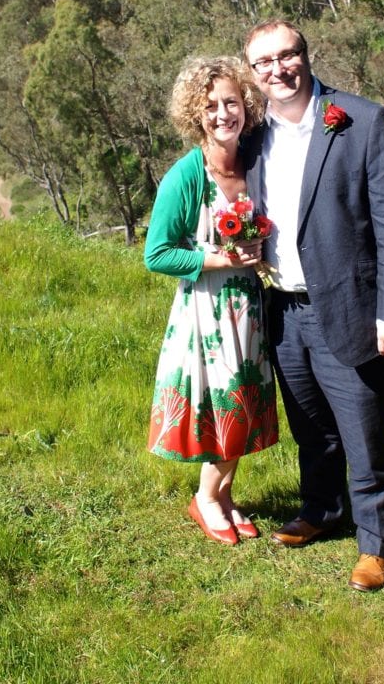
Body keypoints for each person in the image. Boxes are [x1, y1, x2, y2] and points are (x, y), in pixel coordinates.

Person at [243, 19, 384, 590]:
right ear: (253, 72)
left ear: (305, 55)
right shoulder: (251, 136)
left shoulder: (362, 121)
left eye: (286, 56)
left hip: (349, 306)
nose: (277, 70)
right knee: (310, 426)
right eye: (263, 63)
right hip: (282, 309)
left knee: (364, 429)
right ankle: (322, 510)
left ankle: (378, 545)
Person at [144, 55, 278, 545]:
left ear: (246, 105)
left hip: (252, 309)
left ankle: (222, 496)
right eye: (212, 106)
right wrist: (223, 259)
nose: (224, 114)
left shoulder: (255, 162)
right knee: (220, 399)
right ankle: (205, 499)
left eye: (232, 102)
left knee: (242, 400)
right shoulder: (187, 175)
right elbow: (156, 254)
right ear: (195, 114)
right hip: (208, 310)